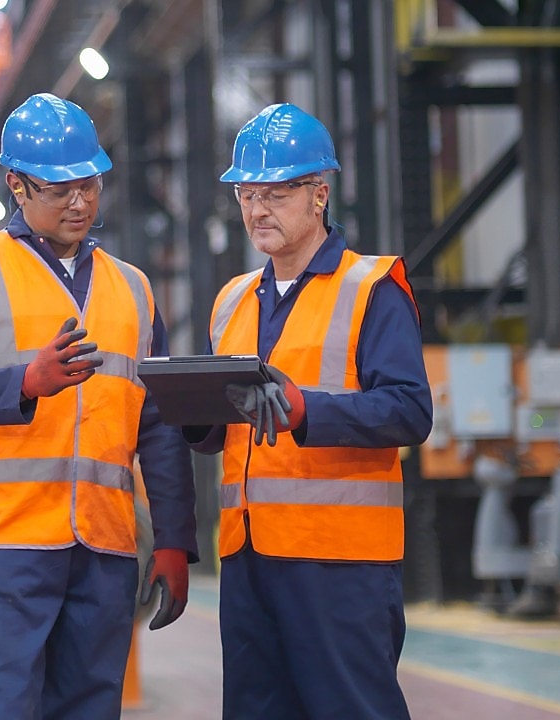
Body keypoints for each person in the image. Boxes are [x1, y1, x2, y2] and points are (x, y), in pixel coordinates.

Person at [0, 92, 198, 719]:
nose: (80, 202)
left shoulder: (133, 290)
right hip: (1, 550)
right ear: (16, 185)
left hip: (103, 550)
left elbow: (159, 423)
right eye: (59, 189)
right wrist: (21, 385)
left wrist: (173, 538)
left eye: (88, 184)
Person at [187, 102, 434, 720]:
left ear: (319, 194)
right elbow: (230, 427)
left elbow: (409, 411)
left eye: (274, 192)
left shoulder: (372, 290)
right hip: (247, 560)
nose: (256, 210)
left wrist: (308, 411)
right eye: (246, 193)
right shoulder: (232, 300)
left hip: (338, 562)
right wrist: (195, 414)